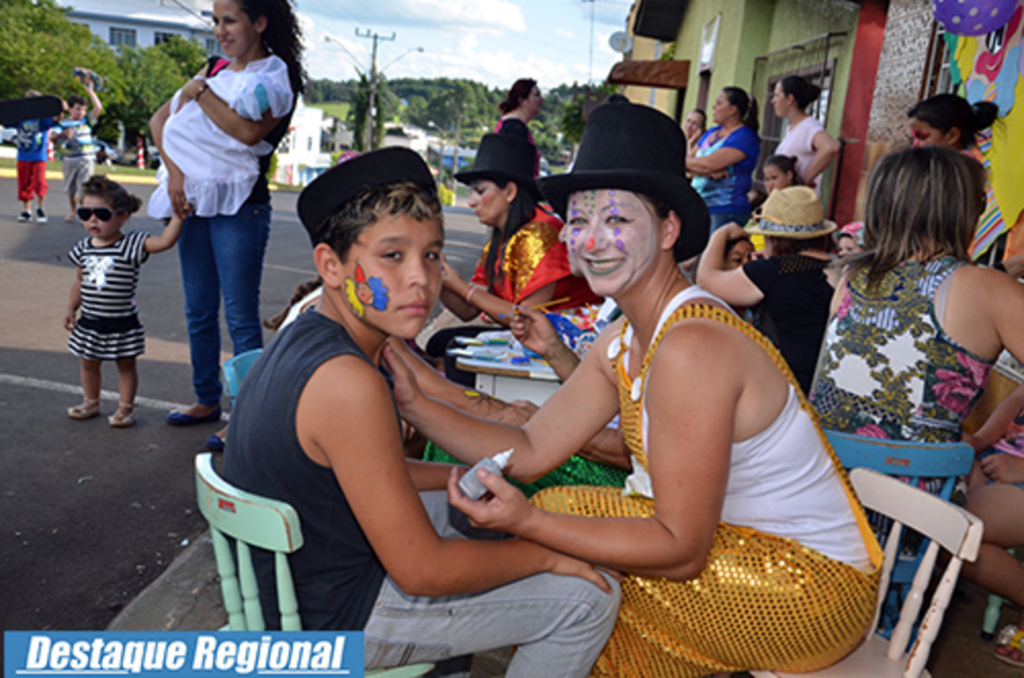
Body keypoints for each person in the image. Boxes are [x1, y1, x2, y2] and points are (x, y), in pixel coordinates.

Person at [390, 101, 880, 677]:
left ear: (669, 228)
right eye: (578, 221)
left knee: (573, 579)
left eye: (617, 220)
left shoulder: (691, 346)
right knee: (562, 532)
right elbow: (530, 448)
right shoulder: (623, 339)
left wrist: (529, 526)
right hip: (734, 548)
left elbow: (680, 547)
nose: (591, 241)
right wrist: (414, 402)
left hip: (807, 590)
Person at [221, 147, 620, 675]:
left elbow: (364, 471)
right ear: (331, 265)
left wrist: (457, 474)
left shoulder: (309, 336)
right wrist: (546, 554)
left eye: (431, 255)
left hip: (296, 589)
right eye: (392, 256)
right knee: (589, 596)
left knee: (471, 510)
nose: (421, 279)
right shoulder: (349, 381)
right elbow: (423, 571)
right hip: (337, 619)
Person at [808, 146, 1024, 668]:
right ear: (962, 209)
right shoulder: (984, 288)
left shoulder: (850, 278)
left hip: (824, 494)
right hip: (909, 511)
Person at [149, 0, 305, 433]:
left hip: (241, 205)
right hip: (191, 200)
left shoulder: (276, 78)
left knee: (238, 313)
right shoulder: (214, 68)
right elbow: (159, 119)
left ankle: (246, 418)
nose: (220, 29)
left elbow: (245, 130)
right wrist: (175, 173)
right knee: (197, 309)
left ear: (259, 22)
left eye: (230, 20)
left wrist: (201, 91)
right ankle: (205, 398)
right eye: (215, 20)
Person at [428, 133, 599, 381]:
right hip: (530, 337)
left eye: (479, 191)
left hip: (567, 342)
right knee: (440, 343)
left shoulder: (539, 234)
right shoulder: (500, 239)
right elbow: (468, 311)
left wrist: (462, 288)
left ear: (509, 192)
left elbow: (526, 319)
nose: (472, 202)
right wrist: (441, 277)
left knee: (452, 358)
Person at [63, 176, 184, 427]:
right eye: (85, 213)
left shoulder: (131, 244)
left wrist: (178, 217)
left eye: (102, 215)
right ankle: (91, 402)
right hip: (90, 320)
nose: (92, 220)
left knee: (126, 365)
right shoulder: (83, 248)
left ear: (122, 216)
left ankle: (125, 409)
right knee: (88, 363)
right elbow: (79, 282)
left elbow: (164, 242)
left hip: (122, 321)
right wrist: (70, 309)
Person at [698, 186, 837, 394]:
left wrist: (721, 233)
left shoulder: (773, 272)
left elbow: (706, 279)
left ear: (774, 238)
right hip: (828, 381)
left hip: (790, 385)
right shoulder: (837, 267)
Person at [686, 87, 761, 232]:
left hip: (724, 209)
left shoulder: (744, 136)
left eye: (719, 103)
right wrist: (706, 171)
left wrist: (702, 168)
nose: (714, 107)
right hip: (700, 205)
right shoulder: (712, 132)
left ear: (732, 110)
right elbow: (691, 169)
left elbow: (708, 163)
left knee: (709, 253)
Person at [771, 75, 840, 191]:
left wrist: (804, 180)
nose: (773, 101)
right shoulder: (791, 129)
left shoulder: (809, 126)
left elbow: (830, 147)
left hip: (800, 203)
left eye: (777, 95)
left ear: (790, 99)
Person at [58, 84, 102, 222]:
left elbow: (98, 108)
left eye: (83, 110)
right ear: (70, 109)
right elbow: (55, 140)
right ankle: (73, 211)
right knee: (71, 189)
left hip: (86, 159)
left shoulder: (86, 121)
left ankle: (86, 213)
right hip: (70, 159)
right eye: (78, 109)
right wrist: (63, 135)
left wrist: (90, 91)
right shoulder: (63, 123)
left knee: (85, 187)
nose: (81, 112)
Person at [14, 89, 59, 224]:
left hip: (39, 156)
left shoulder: (43, 119)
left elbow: (56, 119)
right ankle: (27, 211)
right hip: (23, 156)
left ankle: (40, 207)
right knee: (24, 184)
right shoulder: (20, 118)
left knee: (39, 183)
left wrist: (59, 107)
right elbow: (6, 120)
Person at [495, 78, 543, 176]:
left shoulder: (512, 124)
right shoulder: (514, 128)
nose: (541, 99)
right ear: (522, 100)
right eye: (536, 95)